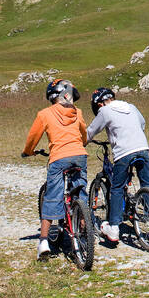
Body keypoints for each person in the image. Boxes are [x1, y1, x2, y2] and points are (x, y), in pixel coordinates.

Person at [22, 79, 88, 260]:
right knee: (80, 192)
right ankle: (84, 230)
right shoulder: (78, 112)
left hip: (59, 157)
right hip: (79, 156)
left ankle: (44, 242)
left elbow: (33, 137)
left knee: (52, 196)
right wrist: (80, 144)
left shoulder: (45, 114)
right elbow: (83, 134)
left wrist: (28, 152)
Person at [86, 87, 149, 244]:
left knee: (116, 188)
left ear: (99, 104)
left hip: (124, 152)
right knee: (147, 185)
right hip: (142, 148)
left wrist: (82, 142)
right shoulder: (131, 106)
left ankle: (114, 228)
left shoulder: (105, 111)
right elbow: (142, 123)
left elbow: (91, 131)